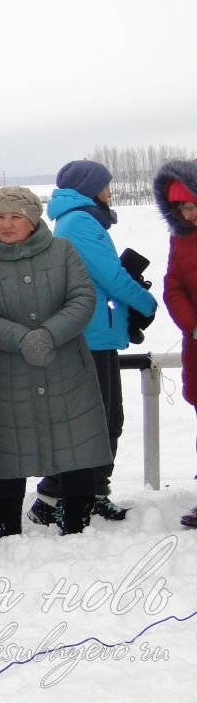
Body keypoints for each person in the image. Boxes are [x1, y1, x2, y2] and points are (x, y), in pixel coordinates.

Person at [0, 186, 111, 543]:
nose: (6, 224)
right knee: (8, 456)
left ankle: (76, 527)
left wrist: (49, 334)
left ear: (32, 220)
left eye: (15, 216)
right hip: (8, 374)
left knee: (73, 448)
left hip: (66, 369)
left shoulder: (62, 250)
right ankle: (7, 533)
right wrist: (22, 338)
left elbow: (82, 297)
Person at [34, 161, 157, 524]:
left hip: (98, 334)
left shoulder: (81, 220)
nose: (109, 191)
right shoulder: (79, 223)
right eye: (105, 185)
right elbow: (111, 277)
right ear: (89, 187)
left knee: (107, 419)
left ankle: (94, 490)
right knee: (95, 422)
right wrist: (147, 304)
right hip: (87, 338)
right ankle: (51, 497)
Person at [153, 160, 197, 529]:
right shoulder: (179, 239)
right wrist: (192, 325)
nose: (187, 212)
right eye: (181, 206)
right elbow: (173, 287)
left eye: (191, 203)